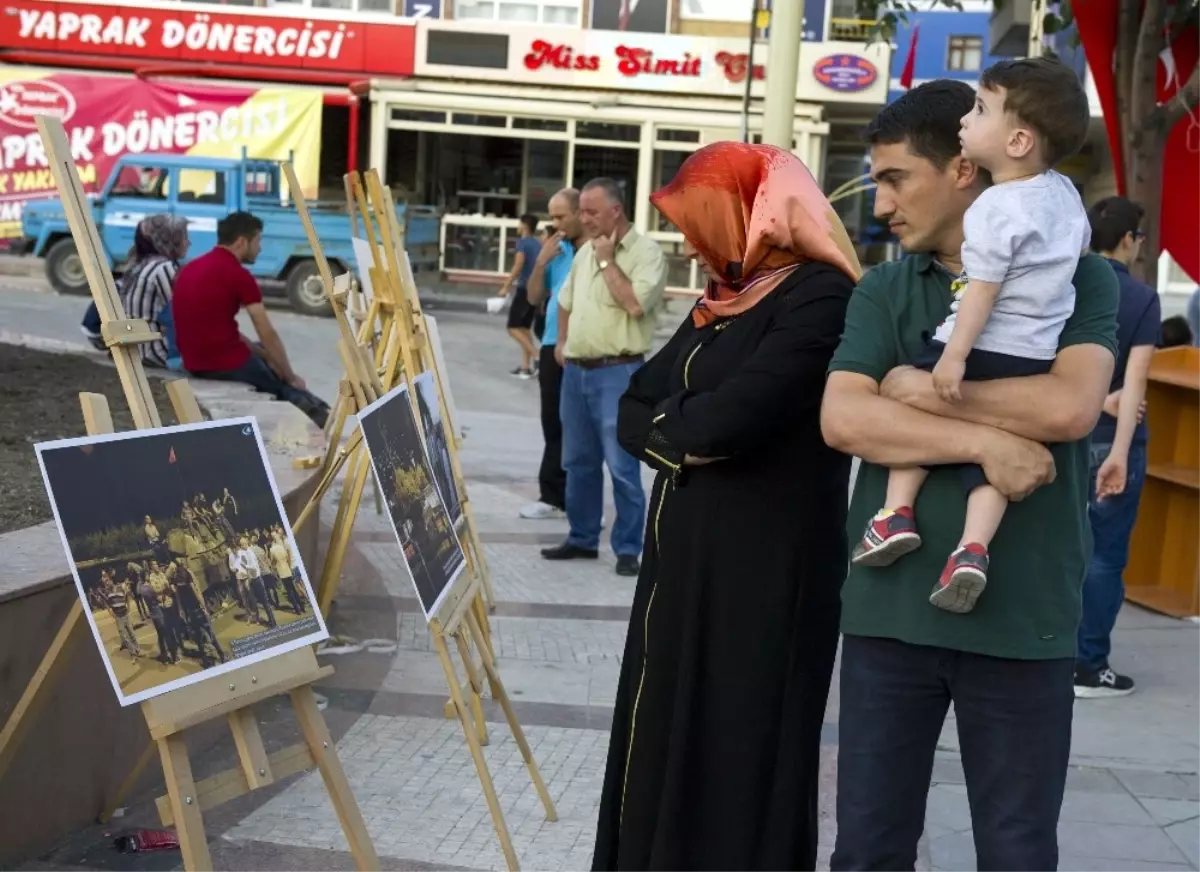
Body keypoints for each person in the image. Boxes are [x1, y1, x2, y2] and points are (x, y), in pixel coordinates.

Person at [820, 79, 1118, 871]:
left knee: (1017, 851)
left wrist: (924, 394)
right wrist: (990, 445)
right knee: (868, 849)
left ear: (962, 168)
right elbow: (847, 420)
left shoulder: (1082, 277)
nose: (880, 204)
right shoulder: (886, 288)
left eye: (894, 178)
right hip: (890, 614)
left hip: (1024, 620)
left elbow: (1071, 408)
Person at [592, 143, 860, 872]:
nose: (690, 239)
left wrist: (682, 423)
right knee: (665, 722)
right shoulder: (726, 296)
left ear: (754, 212)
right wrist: (683, 426)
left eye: (703, 218)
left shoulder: (820, 296)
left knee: (739, 736)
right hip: (685, 558)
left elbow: (724, 423)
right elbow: (635, 402)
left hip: (764, 566)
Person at [854, 57, 1091, 615]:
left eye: (980, 111)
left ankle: (894, 513)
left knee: (912, 397)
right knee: (984, 459)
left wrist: (951, 361)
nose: (968, 119)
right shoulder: (1063, 197)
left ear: (1014, 140)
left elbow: (982, 291)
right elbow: (842, 420)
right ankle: (972, 549)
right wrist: (996, 439)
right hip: (1031, 354)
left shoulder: (993, 210)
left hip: (980, 342)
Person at [541, 178, 668, 577]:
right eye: (582, 211)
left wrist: (607, 259)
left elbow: (633, 304)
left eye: (591, 211)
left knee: (622, 465)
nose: (584, 218)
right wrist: (561, 342)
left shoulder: (647, 254)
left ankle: (628, 548)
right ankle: (581, 538)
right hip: (576, 372)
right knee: (577, 460)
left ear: (617, 210)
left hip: (620, 371)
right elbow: (564, 300)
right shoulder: (581, 254)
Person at [1075, 196, 1161, 698]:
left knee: (1059, 549)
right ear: (1129, 240)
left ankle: (1050, 653)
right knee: (1105, 556)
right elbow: (1135, 386)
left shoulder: (1066, 286)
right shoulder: (1141, 299)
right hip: (1110, 440)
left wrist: (1091, 400)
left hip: (1064, 433)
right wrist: (1120, 454)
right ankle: (1090, 666)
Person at [173, 212, 330, 429]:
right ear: (241, 242)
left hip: (193, 360)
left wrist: (267, 355)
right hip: (223, 364)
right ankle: (326, 420)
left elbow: (216, 326)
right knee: (282, 386)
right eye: (258, 241)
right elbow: (266, 330)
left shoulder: (189, 269)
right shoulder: (238, 275)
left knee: (263, 352)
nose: (260, 248)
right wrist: (290, 375)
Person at [520, 188, 583, 521]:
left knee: (581, 426)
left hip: (584, 347)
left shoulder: (595, 250)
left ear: (580, 212)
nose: (555, 223)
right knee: (552, 422)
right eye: (552, 217)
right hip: (549, 344)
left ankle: (580, 498)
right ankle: (552, 495)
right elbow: (533, 298)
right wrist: (541, 262)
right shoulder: (555, 249)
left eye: (560, 216)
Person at [112, 214, 190, 367]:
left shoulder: (139, 263)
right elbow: (180, 313)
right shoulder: (164, 268)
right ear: (170, 240)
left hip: (134, 346)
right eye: (184, 237)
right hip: (154, 350)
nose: (188, 243)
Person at [496, 213, 543, 378]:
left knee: (513, 327)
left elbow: (518, 265)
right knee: (524, 328)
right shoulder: (538, 244)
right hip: (536, 289)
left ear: (524, 225)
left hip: (524, 289)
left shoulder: (522, 243)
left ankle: (537, 356)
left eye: (519, 223)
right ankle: (525, 367)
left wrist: (506, 286)